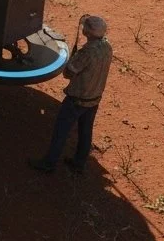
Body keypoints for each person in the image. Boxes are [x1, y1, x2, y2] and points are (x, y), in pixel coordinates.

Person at [30, 16, 112, 175]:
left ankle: (49, 163)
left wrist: (73, 59)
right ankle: (79, 163)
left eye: (85, 27)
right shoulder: (107, 47)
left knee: (61, 131)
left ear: (88, 32)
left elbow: (68, 73)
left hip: (77, 99)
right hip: (94, 99)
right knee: (85, 132)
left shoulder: (87, 52)